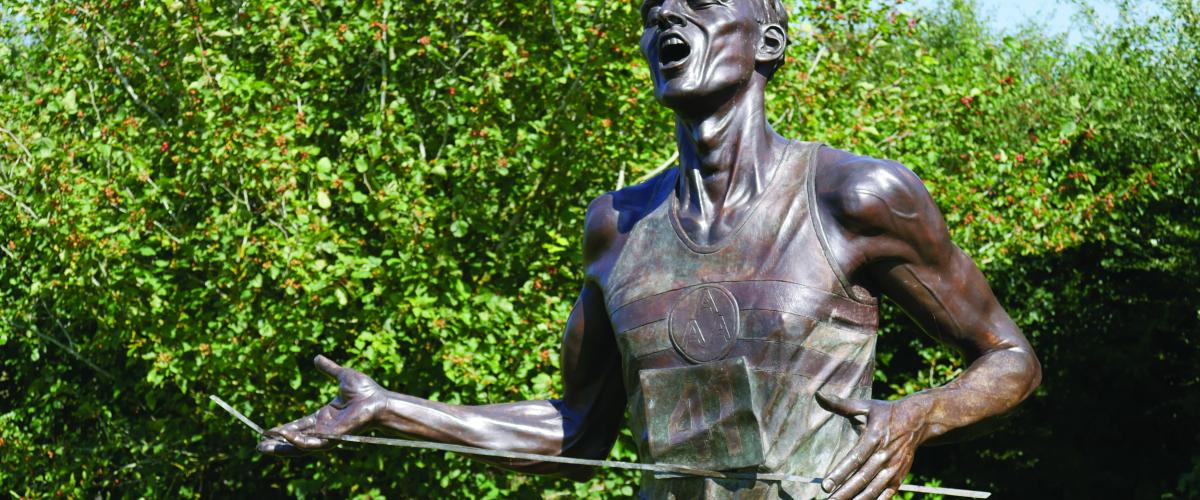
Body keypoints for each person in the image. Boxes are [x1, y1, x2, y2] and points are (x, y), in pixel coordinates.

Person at [257, 0, 1042, 498]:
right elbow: (578, 430)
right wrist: (394, 412)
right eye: (650, 9)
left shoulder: (854, 195)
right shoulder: (618, 226)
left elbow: (1011, 360)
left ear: (767, 40)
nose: (667, 15)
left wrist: (915, 415)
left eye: (696, 2)